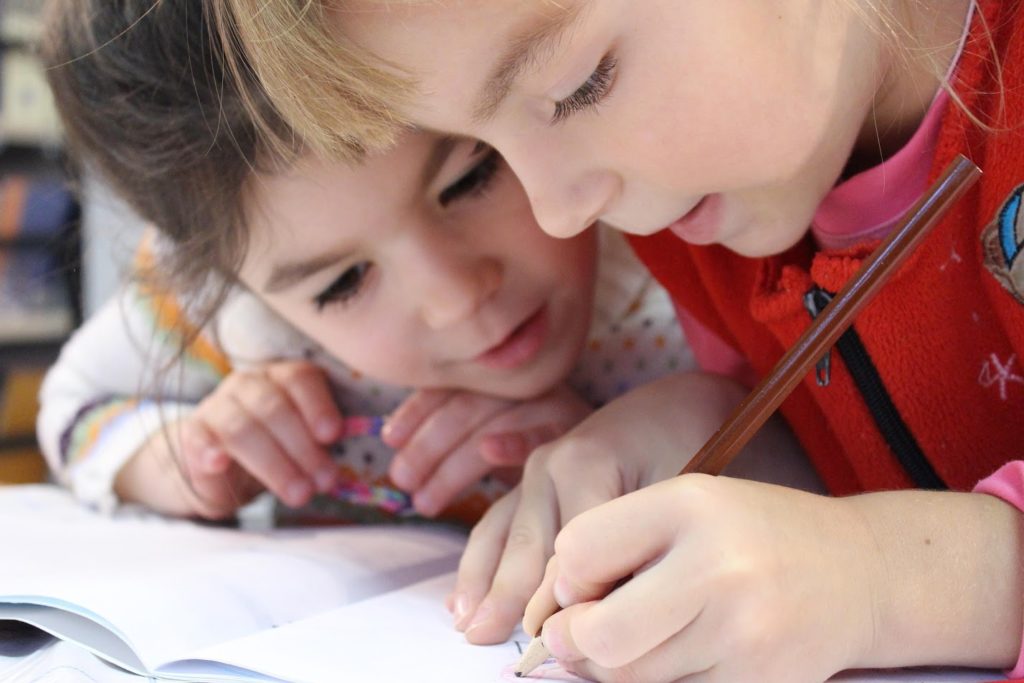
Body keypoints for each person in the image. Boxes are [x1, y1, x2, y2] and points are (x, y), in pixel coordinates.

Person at [207, 0, 1024, 680]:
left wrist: (877, 580)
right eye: (488, 148)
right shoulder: (701, 216)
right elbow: (880, 460)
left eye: (577, 87)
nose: (559, 212)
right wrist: (719, 434)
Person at [36, 0, 704, 530]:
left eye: (471, 179)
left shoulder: (677, 232)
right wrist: (182, 455)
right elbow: (73, 405)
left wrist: (652, 440)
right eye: (343, 283)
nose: (455, 297)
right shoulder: (231, 318)